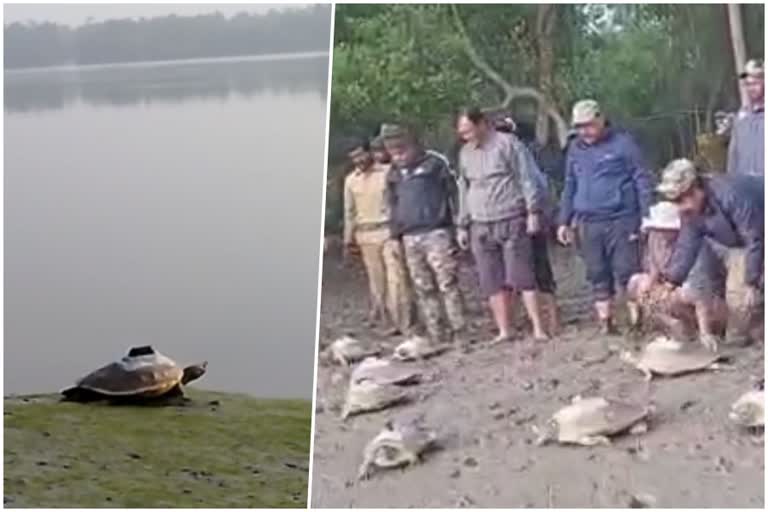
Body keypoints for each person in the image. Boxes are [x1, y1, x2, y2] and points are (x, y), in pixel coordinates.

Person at [557, 99, 654, 335]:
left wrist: (646, 216)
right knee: (597, 272)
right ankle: (606, 322)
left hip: (621, 219)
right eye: (579, 127)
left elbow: (642, 179)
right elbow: (569, 185)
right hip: (588, 221)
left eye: (589, 125)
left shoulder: (623, 144)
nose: (584, 131)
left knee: (626, 271)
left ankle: (635, 321)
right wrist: (563, 220)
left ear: (601, 119)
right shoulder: (575, 149)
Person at [455, 107, 548, 343]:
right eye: (462, 132)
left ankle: (538, 328)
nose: (464, 135)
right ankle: (505, 330)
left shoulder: (509, 144)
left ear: (482, 124)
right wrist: (462, 224)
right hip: (480, 223)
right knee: (491, 280)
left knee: (523, 276)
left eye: (468, 130)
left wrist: (532, 212)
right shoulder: (465, 153)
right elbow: (464, 189)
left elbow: (527, 178)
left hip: (511, 217)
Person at [651, 158, 764, 346]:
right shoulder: (692, 212)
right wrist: (671, 281)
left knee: (746, 293)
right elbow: (687, 245)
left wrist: (751, 282)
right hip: (741, 244)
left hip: (758, 234)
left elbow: (755, 238)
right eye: (673, 200)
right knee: (739, 299)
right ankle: (746, 337)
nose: (679, 206)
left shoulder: (731, 195)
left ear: (696, 189)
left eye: (680, 199)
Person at [381, 123, 466, 346]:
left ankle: (460, 331)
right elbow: (392, 204)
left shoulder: (435, 164)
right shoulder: (393, 173)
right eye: (393, 151)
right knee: (423, 287)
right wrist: (394, 235)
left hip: (436, 232)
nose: (398, 155)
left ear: (413, 144)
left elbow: (454, 194)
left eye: (401, 149)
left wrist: (458, 224)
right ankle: (436, 333)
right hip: (409, 237)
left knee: (447, 283)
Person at [492, 114, 561, 335]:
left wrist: (537, 213)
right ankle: (521, 319)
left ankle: (552, 319)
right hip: (506, 219)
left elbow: (539, 185)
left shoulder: (527, 153)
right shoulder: (492, 156)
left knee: (540, 269)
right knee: (511, 272)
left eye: (505, 130)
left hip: (529, 217)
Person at [627, 201, 727, 350]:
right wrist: (649, 286)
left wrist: (705, 333)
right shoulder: (654, 238)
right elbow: (654, 265)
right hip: (672, 288)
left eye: (666, 229)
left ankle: (705, 331)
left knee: (688, 291)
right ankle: (672, 326)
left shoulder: (693, 243)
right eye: (658, 228)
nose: (661, 233)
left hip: (708, 298)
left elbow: (700, 291)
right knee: (637, 283)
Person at [342, 137, 412, 335]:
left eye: (360, 154)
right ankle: (387, 323)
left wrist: (400, 228)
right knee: (376, 282)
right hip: (365, 234)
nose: (358, 160)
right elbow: (350, 212)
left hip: (388, 231)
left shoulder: (387, 172)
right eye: (353, 157)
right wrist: (348, 240)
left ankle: (404, 323)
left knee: (396, 279)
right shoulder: (351, 180)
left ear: (369, 153)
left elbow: (400, 200)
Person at [727, 59, 764, 176]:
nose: (751, 88)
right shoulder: (741, 118)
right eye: (748, 84)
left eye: (755, 83)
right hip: (745, 186)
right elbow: (733, 155)